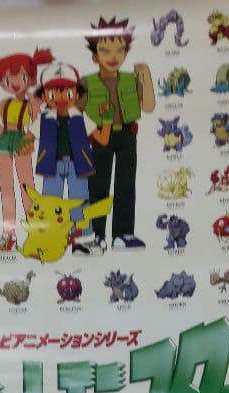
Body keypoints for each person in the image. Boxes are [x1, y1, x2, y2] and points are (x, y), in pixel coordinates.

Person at [78, 16, 154, 252]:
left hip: (127, 135)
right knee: (97, 185)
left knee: (126, 184)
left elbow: (148, 106)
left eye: (120, 50)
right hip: (102, 135)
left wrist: (145, 75)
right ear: (95, 56)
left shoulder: (131, 79)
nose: (113, 56)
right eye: (105, 50)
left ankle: (123, 234)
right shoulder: (87, 83)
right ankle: (96, 235)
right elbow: (74, 110)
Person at [0, 47, 53, 253]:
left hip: (22, 140)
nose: (14, 83)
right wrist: (0, 130)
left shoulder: (32, 101)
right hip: (5, 141)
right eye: (7, 79)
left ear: (30, 79)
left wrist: (31, 94)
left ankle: (36, 232)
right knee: (6, 189)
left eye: (21, 77)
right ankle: (9, 235)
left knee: (27, 188)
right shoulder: (5, 102)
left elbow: (38, 115)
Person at [34, 61, 98, 255]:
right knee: (50, 202)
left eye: (68, 93)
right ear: (43, 96)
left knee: (80, 200)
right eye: (53, 94)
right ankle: (50, 237)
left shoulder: (80, 116)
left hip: (78, 165)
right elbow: (29, 135)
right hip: (51, 165)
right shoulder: (43, 118)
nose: (61, 98)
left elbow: (98, 135)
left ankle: (82, 238)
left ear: (77, 94)